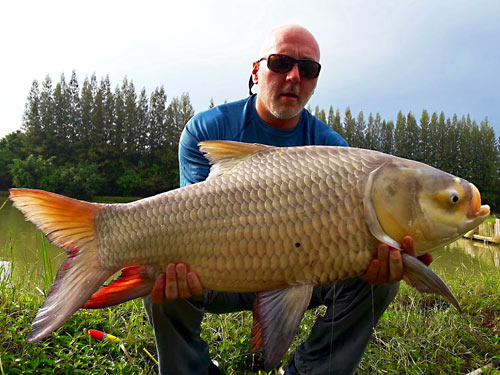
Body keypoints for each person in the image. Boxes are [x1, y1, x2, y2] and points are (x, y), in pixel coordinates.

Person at [143, 24, 430, 375]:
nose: (294, 76)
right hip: (220, 272)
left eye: (308, 69)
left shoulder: (333, 150)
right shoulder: (207, 130)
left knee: (381, 278)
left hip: (303, 272)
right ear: (256, 70)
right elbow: (193, 224)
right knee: (160, 267)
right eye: (281, 63)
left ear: (314, 81)